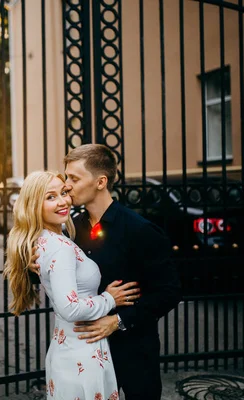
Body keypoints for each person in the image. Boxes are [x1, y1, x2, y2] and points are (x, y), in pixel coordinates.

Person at [30, 144, 182, 400]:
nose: (66, 185)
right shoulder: (72, 230)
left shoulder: (140, 230)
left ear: (100, 182)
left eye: (74, 178)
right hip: (85, 351)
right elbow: (60, 278)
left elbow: (169, 292)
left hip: (133, 351)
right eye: (66, 177)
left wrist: (118, 321)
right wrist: (34, 268)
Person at [3, 170, 140, 400]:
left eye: (64, 192)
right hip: (83, 354)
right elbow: (70, 309)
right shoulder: (60, 247)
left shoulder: (47, 240)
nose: (63, 201)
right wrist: (109, 299)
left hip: (70, 349)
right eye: (50, 197)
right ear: (34, 205)